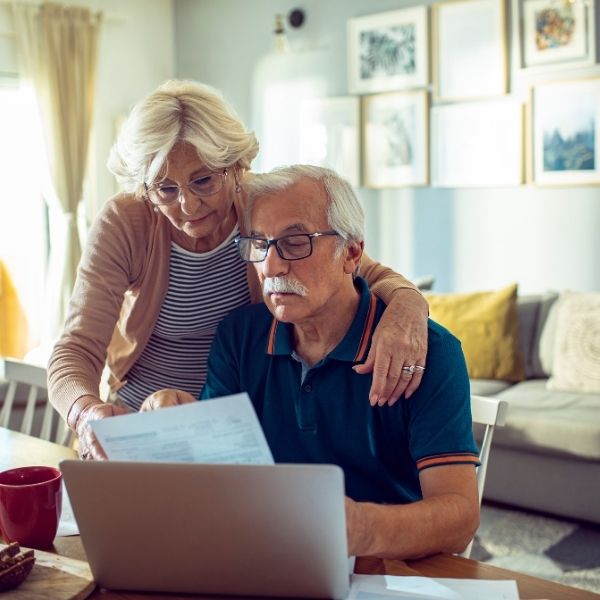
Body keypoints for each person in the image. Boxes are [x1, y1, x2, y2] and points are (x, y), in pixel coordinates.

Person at [47, 80, 429, 460]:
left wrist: (409, 308)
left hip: (236, 430)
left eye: (203, 180)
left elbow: (361, 268)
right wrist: (86, 413)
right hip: (140, 423)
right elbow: (75, 349)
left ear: (236, 167)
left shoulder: (261, 208)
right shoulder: (127, 222)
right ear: (145, 189)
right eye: (165, 189)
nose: (189, 206)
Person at [143, 165, 480, 559]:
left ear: (351, 253)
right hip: (270, 556)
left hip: (391, 570)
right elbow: (216, 478)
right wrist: (174, 424)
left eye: (295, 242)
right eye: (259, 244)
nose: (271, 267)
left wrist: (360, 529)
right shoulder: (238, 337)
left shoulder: (428, 352)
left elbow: (460, 518)